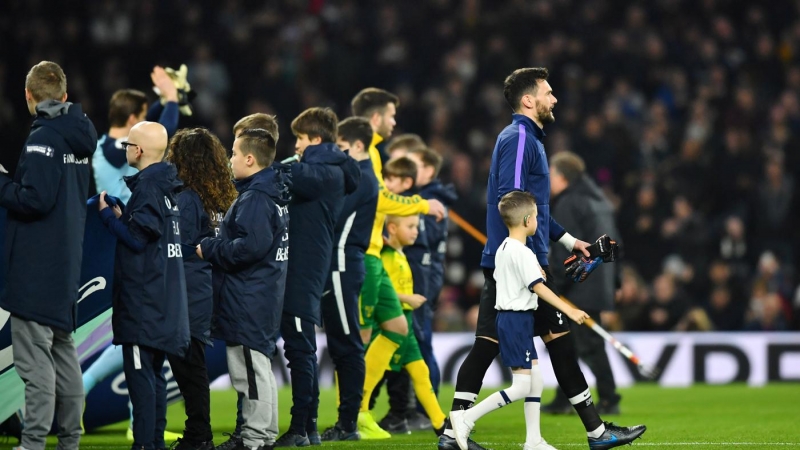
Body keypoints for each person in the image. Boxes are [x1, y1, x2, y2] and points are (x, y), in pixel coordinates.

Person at [439, 68, 646, 450]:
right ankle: (594, 433)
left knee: (490, 345)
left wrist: (569, 241)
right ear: (528, 100)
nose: (554, 99)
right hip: (520, 263)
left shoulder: (527, 138)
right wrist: (523, 256)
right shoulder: (519, 137)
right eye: (548, 93)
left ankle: (458, 433)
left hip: (516, 259)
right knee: (552, 344)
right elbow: (513, 200)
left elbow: (533, 208)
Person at [0, 60, 96, 450]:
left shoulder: (45, 137)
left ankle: (34, 442)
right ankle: (70, 440)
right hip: (65, 265)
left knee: (35, 363)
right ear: (65, 96)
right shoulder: (79, 134)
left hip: (37, 269)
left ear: (29, 95)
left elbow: (35, 199)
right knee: (63, 355)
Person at [451, 191, 590, 450]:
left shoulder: (504, 248)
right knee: (521, 386)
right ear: (527, 220)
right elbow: (539, 287)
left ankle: (534, 441)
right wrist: (569, 310)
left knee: (534, 380)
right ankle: (465, 418)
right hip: (516, 322)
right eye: (537, 216)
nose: (539, 221)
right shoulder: (524, 254)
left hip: (514, 321)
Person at [350, 88, 445, 439]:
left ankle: (438, 423)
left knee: (398, 330)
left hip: (371, 256)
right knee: (360, 339)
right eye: (391, 115)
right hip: (364, 256)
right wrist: (420, 204)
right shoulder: (366, 155)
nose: (394, 122)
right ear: (375, 118)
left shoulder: (372, 154)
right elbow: (381, 200)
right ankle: (351, 415)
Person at [198, 128, 291, 450]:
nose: (230, 160)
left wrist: (209, 247)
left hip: (248, 297)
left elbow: (250, 248)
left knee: (249, 372)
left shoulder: (255, 199)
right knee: (258, 368)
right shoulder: (272, 195)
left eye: (234, 154)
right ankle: (264, 435)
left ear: (250, 159)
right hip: (262, 295)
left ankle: (253, 439)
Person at [98, 121, 190, 450]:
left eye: (128, 145)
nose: (125, 150)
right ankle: (153, 443)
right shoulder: (166, 189)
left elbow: (137, 240)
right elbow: (149, 236)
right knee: (154, 378)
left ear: (137, 151)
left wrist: (109, 217)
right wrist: (125, 218)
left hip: (142, 308)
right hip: (162, 305)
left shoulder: (148, 188)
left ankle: (145, 446)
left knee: (142, 381)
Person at [277, 107, 360, 447]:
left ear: (315, 139)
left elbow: (281, 176)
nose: (294, 145)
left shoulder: (323, 174)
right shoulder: (327, 170)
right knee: (300, 349)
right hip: (304, 267)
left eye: (299, 138)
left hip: (304, 269)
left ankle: (300, 428)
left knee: (300, 350)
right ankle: (308, 428)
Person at [165, 128, 239, 450]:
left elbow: (177, 250)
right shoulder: (226, 196)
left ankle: (199, 435)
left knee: (189, 366)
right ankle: (222, 432)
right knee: (203, 366)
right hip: (223, 289)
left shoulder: (186, 199)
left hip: (190, 293)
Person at [543, 151, 623, 415]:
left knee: (586, 346)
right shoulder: (599, 201)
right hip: (598, 283)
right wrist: (615, 282)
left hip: (579, 285)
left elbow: (564, 250)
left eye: (551, 174)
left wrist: (555, 285)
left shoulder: (569, 203)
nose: (549, 179)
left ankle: (609, 399)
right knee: (575, 345)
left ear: (563, 177)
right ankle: (566, 398)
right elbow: (613, 243)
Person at [318, 117, 379, 442]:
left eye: (341, 148)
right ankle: (347, 421)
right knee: (342, 343)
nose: (337, 154)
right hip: (338, 265)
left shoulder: (362, 180)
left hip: (342, 264)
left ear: (356, 146)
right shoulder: (360, 177)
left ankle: (349, 423)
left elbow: (332, 216)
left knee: (347, 344)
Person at [92, 66, 180, 203]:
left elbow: (151, 118)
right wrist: (172, 98)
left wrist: (164, 100)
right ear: (132, 119)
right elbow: (163, 131)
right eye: (143, 117)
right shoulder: (112, 149)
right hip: (121, 221)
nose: (146, 121)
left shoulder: (103, 144)